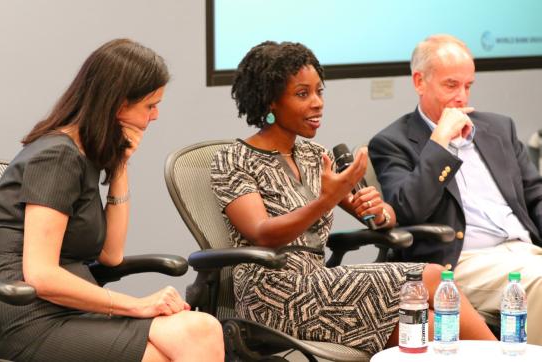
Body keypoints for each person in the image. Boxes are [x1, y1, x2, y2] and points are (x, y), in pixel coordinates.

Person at [210, 40, 495, 354]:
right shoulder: (234, 159)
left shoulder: (314, 156)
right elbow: (262, 234)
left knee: (428, 325)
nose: (317, 103)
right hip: (272, 299)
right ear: (270, 101)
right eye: (302, 94)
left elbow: (374, 217)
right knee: (430, 276)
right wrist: (326, 200)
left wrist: (380, 212)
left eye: (320, 91)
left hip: (321, 287)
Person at [0, 39, 224, 361]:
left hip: (68, 303)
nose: (156, 115)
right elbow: (41, 275)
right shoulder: (56, 157)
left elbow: (111, 255)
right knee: (191, 336)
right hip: (27, 311)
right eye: (150, 105)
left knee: (199, 330)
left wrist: (119, 168)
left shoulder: (80, 155)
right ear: (118, 104)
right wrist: (137, 304)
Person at [369, 34, 542, 344]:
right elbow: (407, 209)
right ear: (420, 82)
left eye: (468, 86)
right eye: (451, 86)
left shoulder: (499, 128)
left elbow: (536, 196)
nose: (462, 97)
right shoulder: (392, 143)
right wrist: (440, 142)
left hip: (526, 250)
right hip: (464, 260)